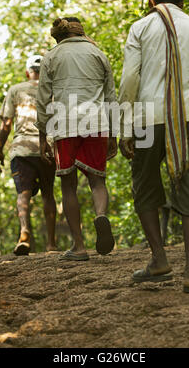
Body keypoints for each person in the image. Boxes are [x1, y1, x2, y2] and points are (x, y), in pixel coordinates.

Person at [119, 0, 189, 292]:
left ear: (150, 1)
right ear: (182, 2)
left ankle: (160, 258)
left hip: (148, 120)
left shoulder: (140, 28)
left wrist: (124, 128)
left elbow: (129, 80)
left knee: (145, 183)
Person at [35, 17, 117, 261]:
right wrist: (113, 132)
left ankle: (79, 247)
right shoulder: (98, 53)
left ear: (58, 36)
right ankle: (100, 214)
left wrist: (42, 136)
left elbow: (42, 100)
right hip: (96, 123)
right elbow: (111, 96)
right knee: (97, 181)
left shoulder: (52, 56)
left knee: (68, 184)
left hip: (65, 123)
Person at [0, 55, 57, 256]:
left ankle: (24, 232)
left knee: (23, 192)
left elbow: (6, 124)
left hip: (21, 149)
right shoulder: (52, 91)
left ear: (27, 72)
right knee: (48, 193)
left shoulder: (15, 90)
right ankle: (51, 244)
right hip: (47, 148)